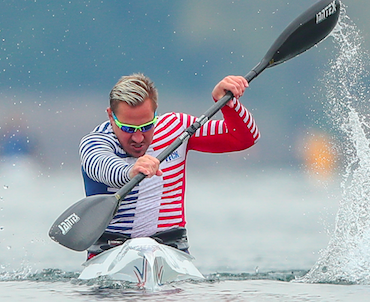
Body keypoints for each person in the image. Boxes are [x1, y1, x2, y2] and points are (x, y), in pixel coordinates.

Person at [79, 73, 259, 258]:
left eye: (147, 126)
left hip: (171, 252)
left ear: (156, 111)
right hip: (110, 252)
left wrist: (229, 104)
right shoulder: (96, 142)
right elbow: (101, 166)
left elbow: (244, 138)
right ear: (111, 115)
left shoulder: (177, 129)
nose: (138, 138)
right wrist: (130, 170)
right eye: (128, 128)